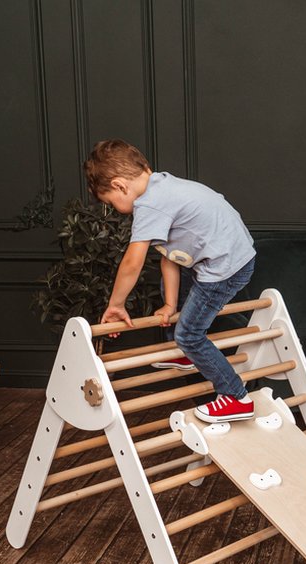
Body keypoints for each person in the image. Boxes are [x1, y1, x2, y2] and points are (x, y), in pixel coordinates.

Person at [85, 139, 257, 423]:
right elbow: (171, 258)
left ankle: (236, 396)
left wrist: (116, 304)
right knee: (177, 301)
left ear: (119, 186)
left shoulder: (150, 206)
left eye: (110, 204)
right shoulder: (164, 186)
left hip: (225, 267)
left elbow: (132, 262)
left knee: (190, 334)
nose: (114, 209)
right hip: (223, 256)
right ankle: (184, 352)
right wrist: (169, 304)